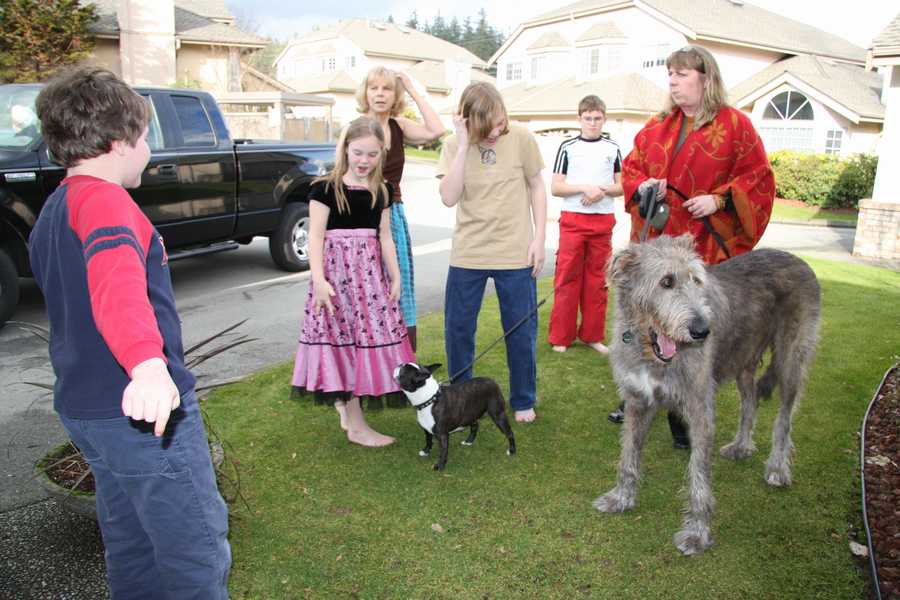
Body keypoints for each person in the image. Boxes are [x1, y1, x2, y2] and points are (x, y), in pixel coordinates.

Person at [28, 67, 230, 598]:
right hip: (138, 416)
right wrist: (147, 366)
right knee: (195, 551)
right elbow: (116, 286)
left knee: (131, 543)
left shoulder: (55, 208)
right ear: (119, 141)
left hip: (87, 410)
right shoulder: (105, 201)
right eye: (145, 137)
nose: (149, 150)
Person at [608, 45, 775, 447]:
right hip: (656, 251)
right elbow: (631, 169)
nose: (673, 81)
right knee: (647, 324)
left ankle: (684, 411)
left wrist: (719, 200)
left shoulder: (736, 126)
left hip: (702, 250)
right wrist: (643, 187)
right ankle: (641, 390)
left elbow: (759, 178)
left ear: (706, 78)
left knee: (692, 329)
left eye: (681, 74)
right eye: (670, 74)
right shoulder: (658, 125)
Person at [291, 116, 414, 447]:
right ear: (345, 148)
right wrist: (318, 280)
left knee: (365, 341)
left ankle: (348, 408)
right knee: (344, 344)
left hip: (369, 283)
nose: (364, 161)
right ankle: (356, 424)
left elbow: (384, 237)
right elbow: (316, 237)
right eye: (358, 152)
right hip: (336, 282)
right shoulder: (324, 189)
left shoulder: (382, 191)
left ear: (381, 154)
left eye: (372, 154)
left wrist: (396, 276)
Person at [437, 82, 547, 423]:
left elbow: (537, 186)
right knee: (458, 331)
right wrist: (463, 145)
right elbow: (448, 197)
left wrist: (539, 239)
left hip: (515, 252)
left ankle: (523, 399)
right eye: (488, 127)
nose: (497, 131)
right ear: (468, 122)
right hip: (468, 254)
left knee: (521, 331)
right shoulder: (453, 144)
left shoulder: (522, 138)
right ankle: (461, 402)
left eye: (501, 123)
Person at [357, 66, 444, 352]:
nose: (380, 94)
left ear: (396, 95)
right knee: (367, 285)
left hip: (393, 214)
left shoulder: (400, 126)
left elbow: (437, 130)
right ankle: (369, 354)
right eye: (374, 88)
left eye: (387, 88)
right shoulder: (356, 128)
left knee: (398, 284)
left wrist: (412, 89)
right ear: (366, 92)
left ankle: (399, 356)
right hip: (362, 215)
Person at [547, 95, 622, 355]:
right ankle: (561, 336)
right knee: (567, 277)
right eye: (588, 118)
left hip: (603, 221)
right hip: (573, 220)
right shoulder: (568, 147)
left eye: (597, 118)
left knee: (597, 280)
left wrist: (602, 191)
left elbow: (622, 186)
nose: (592, 123)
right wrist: (584, 188)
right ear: (579, 119)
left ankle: (592, 335)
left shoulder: (613, 148)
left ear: (604, 119)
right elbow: (556, 187)